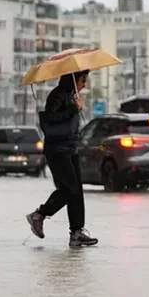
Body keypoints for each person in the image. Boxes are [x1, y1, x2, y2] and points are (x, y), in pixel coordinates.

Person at [26, 70, 98, 247]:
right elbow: (51, 118)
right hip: (57, 150)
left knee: (76, 190)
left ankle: (77, 232)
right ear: (73, 80)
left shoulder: (70, 96)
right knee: (69, 189)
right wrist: (73, 108)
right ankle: (39, 214)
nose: (84, 84)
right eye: (83, 80)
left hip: (70, 148)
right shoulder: (57, 95)